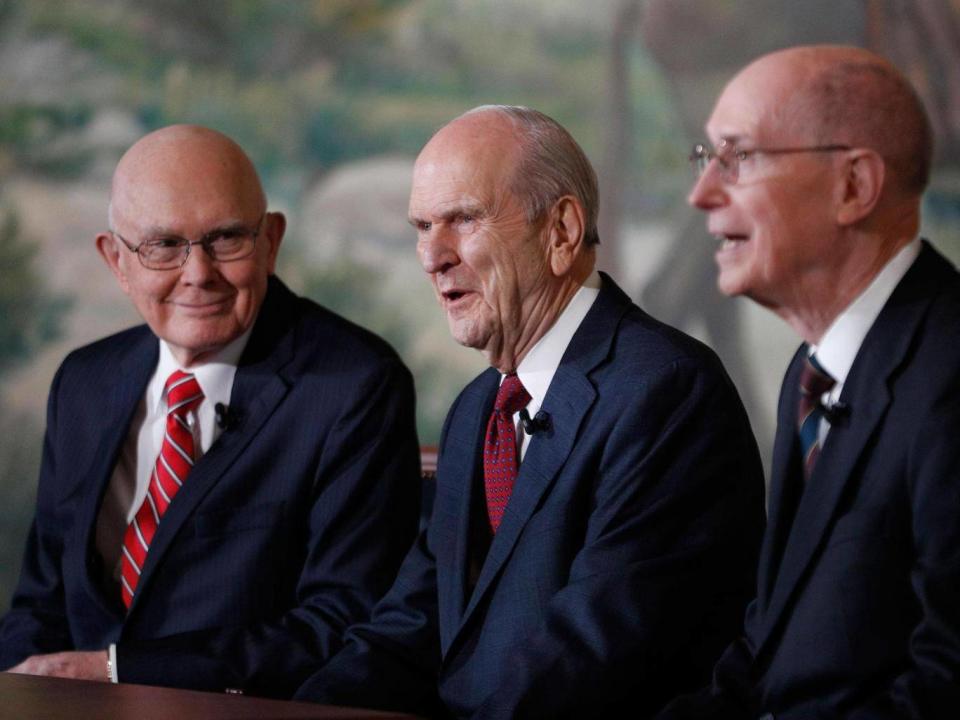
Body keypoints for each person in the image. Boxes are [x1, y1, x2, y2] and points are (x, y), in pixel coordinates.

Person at [295, 105, 766, 718]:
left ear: (562, 231)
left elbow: (588, 655)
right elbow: (411, 623)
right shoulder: (477, 410)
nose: (431, 256)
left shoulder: (665, 391)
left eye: (462, 219)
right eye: (421, 226)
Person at [0, 125, 421, 698]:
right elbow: (39, 603)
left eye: (226, 239)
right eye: (163, 245)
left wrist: (116, 672)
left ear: (271, 241)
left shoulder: (354, 385)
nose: (198, 273)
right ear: (116, 260)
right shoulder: (84, 382)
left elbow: (340, 623)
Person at [660, 45, 960, 719]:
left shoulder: (950, 374)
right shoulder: (813, 368)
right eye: (705, 158)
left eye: (737, 157)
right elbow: (770, 650)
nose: (701, 193)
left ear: (853, 185)